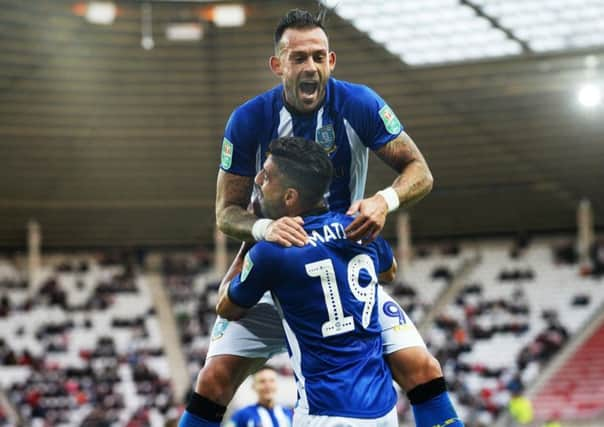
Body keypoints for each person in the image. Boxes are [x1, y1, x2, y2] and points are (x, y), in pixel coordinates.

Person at [178, 8, 463, 427]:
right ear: (278, 66)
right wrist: (266, 228)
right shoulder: (248, 120)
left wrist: (383, 200)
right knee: (215, 380)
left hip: (337, 266)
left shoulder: (359, 103)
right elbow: (226, 213)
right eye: (298, 58)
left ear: (331, 61)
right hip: (274, 261)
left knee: (423, 370)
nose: (309, 66)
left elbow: (420, 171)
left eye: (317, 56)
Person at [218, 136, 398, 425]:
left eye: (267, 176)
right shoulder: (358, 226)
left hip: (325, 411)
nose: (259, 180)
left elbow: (226, 307)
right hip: (384, 407)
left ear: (290, 197)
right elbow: (389, 272)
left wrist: (253, 235)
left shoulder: (272, 252)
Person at [225, 366, 293, 427]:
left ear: (277, 384)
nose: (268, 386)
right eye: (262, 381)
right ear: (254, 386)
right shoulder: (242, 415)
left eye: (271, 381)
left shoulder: (289, 414)